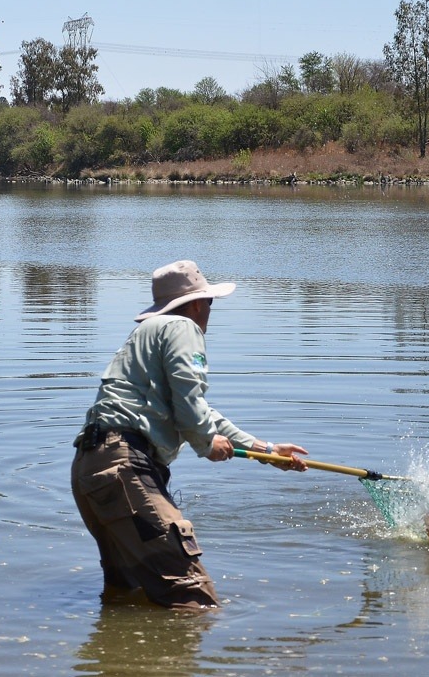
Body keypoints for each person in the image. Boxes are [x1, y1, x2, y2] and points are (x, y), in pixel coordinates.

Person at [71, 260, 308, 609]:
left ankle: (120, 660)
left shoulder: (149, 335)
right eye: (210, 302)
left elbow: (199, 413)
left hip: (91, 469)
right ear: (197, 303)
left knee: (128, 594)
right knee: (194, 599)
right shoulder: (183, 327)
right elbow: (189, 402)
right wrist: (207, 444)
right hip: (125, 470)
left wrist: (266, 450)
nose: (211, 311)